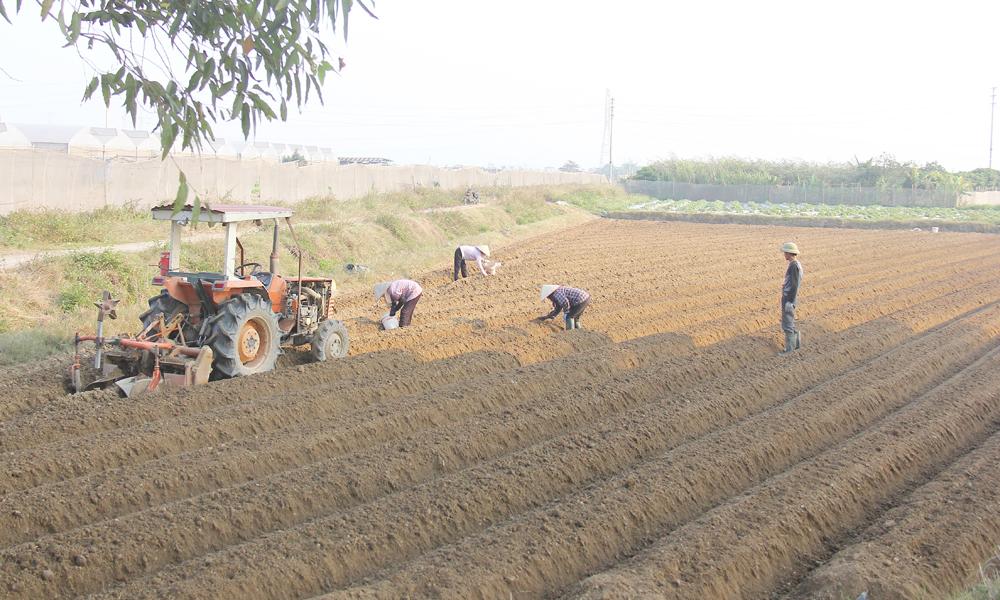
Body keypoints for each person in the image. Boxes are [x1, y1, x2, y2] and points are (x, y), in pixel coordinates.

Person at [778, 242, 803, 355]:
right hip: (792, 297)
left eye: (785, 253)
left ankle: (790, 350)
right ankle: (796, 346)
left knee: (787, 324)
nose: (784, 255)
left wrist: (790, 301)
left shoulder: (793, 266)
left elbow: (794, 284)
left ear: (789, 253)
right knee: (791, 323)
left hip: (789, 297)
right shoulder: (797, 264)